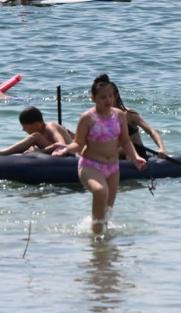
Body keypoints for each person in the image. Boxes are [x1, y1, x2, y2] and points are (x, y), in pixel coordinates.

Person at [52, 74, 146, 234]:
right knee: (100, 191)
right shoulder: (87, 118)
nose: (108, 100)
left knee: (107, 210)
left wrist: (135, 156)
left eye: (110, 96)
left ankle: (103, 244)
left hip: (113, 168)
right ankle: (96, 240)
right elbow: (78, 143)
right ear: (93, 98)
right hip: (90, 165)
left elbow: (125, 141)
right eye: (103, 97)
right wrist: (66, 149)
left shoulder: (119, 115)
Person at [0, 106, 74, 161]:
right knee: (29, 149)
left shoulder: (50, 127)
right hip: (54, 154)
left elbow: (61, 145)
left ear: (36, 125)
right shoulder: (41, 132)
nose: (23, 130)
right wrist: (35, 150)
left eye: (25, 127)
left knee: (35, 137)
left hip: (69, 156)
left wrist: (40, 151)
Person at [109, 81, 167, 158]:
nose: (106, 100)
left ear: (115, 95)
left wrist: (162, 149)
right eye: (102, 97)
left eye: (109, 96)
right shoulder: (104, 117)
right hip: (118, 155)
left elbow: (151, 131)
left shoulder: (129, 114)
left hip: (137, 154)